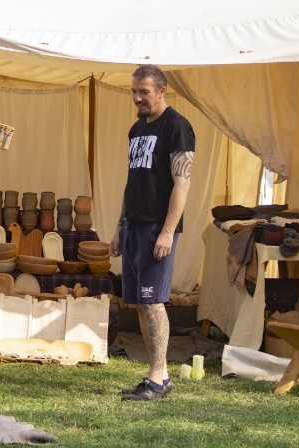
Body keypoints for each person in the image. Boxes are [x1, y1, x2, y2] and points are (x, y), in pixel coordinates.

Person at [110, 64, 195, 401]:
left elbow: (182, 183)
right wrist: (120, 225)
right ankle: (155, 375)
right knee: (141, 304)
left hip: (156, 229)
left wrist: (167, 232)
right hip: (133, 225)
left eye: (143, 91)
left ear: (162, 90)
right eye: (134, 91)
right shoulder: (136, 130)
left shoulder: (177, 127)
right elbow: (133, 181)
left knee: (154, 302)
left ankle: (158, 380)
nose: (137, 98)